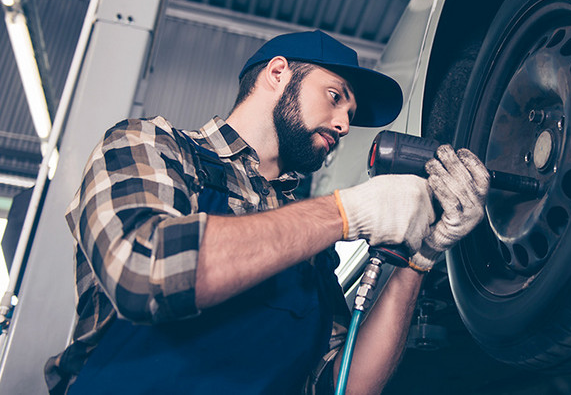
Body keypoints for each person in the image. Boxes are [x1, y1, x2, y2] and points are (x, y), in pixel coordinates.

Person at [44, 30, 489, 394]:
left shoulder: (314, 252)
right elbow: (144, 268)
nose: (344, 125)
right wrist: (348, 211)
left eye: (349, 113)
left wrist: (420, 258)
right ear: (278, 73)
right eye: (335, 96)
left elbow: (343, 385)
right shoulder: (152, 147)